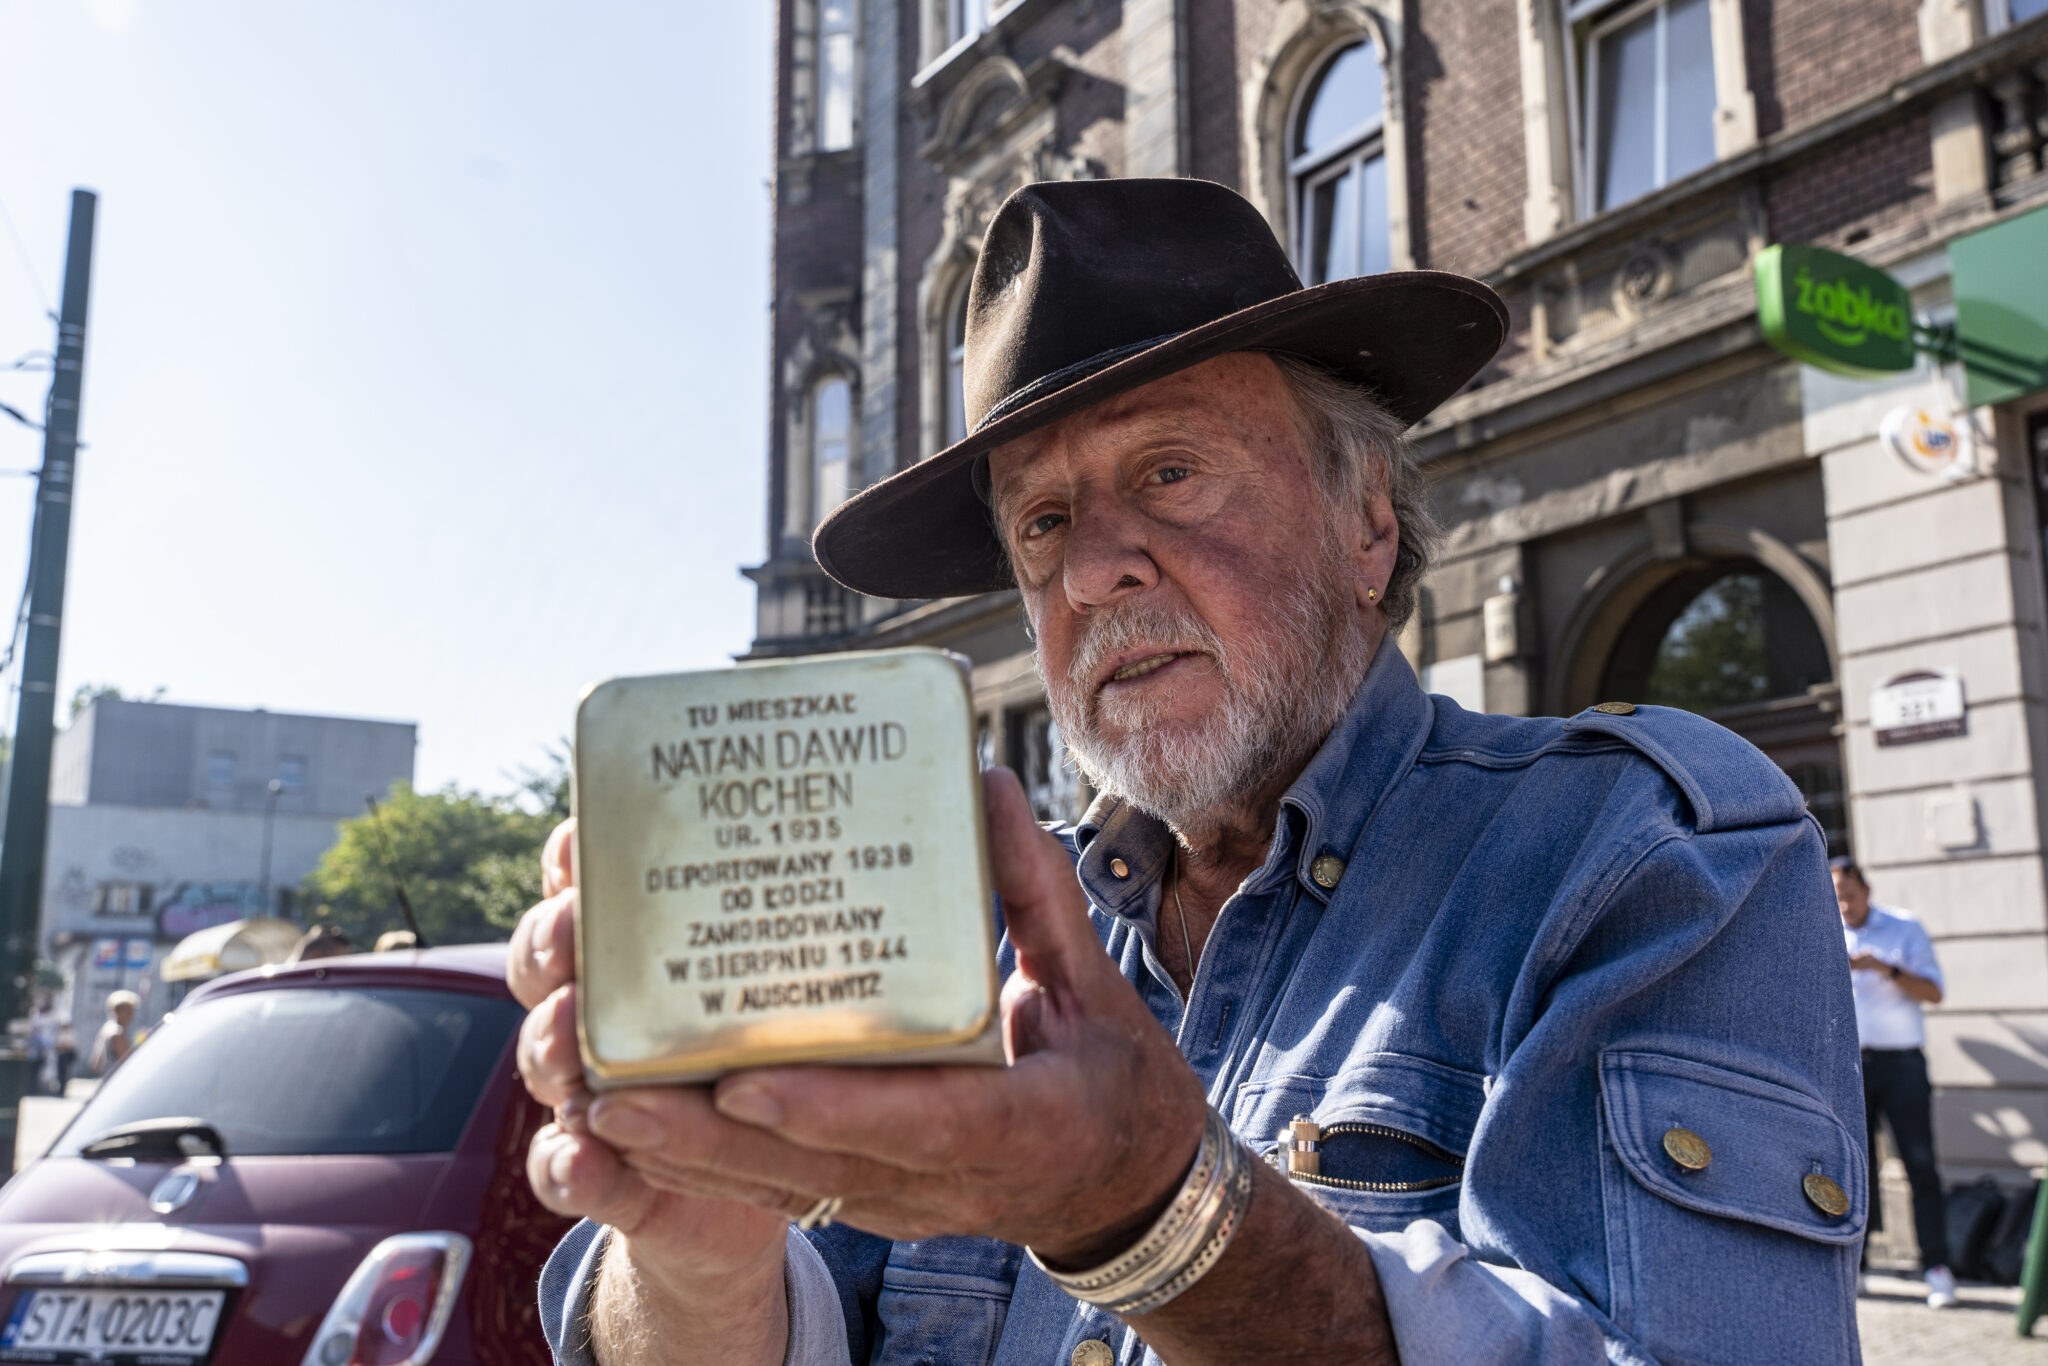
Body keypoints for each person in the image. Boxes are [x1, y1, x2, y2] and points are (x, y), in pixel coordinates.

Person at [510, 178, 1865, 1364]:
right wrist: (701, 1254)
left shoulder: (1637, 851)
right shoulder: (939, 940)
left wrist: (1149, 1204)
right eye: (1044, 520)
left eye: (1169, 471)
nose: (1096, 567)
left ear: (1367, 524)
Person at [1834, 855, 1954, 1308]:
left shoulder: (1904, 928)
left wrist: (1885, 969)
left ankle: (1937, 1268)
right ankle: (1857, 1267)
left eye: (1849, 894)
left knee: (1919, 1165)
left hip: (1902, 1064)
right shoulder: (1825, 932)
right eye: (1837, 897)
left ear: (1867, 890)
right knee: (1854, 1169)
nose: (1843, 904)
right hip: (1849, 1067)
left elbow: (1935, 993)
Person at [88, 989, 137, 1076]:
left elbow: (95, 1063)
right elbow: (128, 1062)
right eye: (129, 1012)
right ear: (119, 1012)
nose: (132, 1016)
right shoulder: (117, 1032)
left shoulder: (106, 1028)